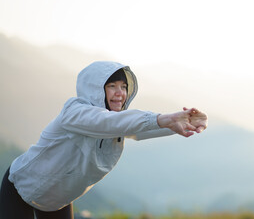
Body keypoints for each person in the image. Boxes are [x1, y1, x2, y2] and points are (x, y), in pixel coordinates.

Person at [0, 61, 208, 219]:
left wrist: (177, 123)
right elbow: (107, 123)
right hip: (22, 187)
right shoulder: (74, 112)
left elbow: (137, 129)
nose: (120, 93)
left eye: (124, 86)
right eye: (112, 86)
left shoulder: (116, 122)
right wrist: (165, 119)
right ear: (96, 88)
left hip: (58, 199)